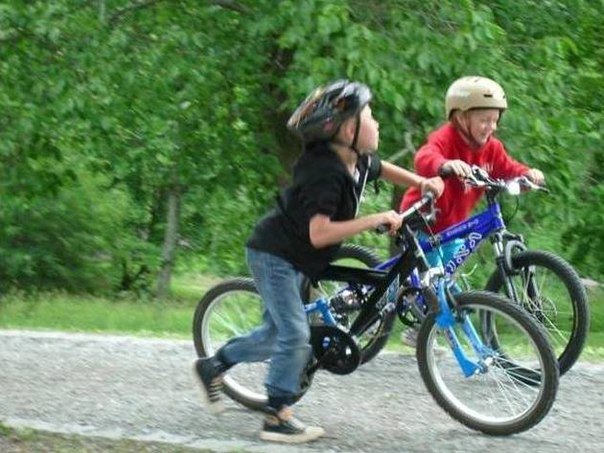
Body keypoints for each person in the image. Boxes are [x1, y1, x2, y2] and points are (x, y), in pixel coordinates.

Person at [192, 79, 444, 444]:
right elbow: (320, 233)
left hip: (297, 258)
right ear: (347, 129)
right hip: (275, 256)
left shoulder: (355, 157)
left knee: (272, 335)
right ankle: (276, 416)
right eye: (370, 116)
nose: (377, 123)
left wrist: (421, 182)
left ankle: (212, 367)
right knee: (295, 335)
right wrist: (375, 219)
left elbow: (381, 167)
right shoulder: (323, 172)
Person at [398, 75, 544, 347]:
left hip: (452, 229)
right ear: (462, 118)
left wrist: (528, 175)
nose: (491, 126)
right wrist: (447, 164)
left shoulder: (492, 149)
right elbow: (424, 158)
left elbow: (509, 168)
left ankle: (423, 324)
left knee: (445, 281)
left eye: (495, 119)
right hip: (423, 220)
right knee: (439, 282)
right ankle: (416, 317)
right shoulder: (446, 137)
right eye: (484, 120)